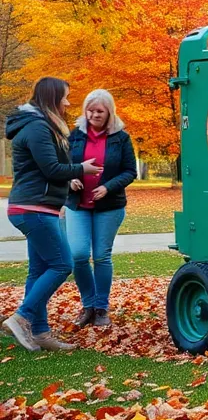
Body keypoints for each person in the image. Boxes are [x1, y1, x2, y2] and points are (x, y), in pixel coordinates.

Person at [2, 78, 102, 351]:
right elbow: (52, 169)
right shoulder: (37, 128)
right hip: (33, 208)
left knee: (39, 269)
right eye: (65, 98)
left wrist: (67, 181)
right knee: (62, 264)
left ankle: (40, 334)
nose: (68, 103)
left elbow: (47, 169)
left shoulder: (40, 126)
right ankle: (22, 317)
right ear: (51, 99)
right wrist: (81, 169)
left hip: (40, 207)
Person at [66, 90, 137, 329]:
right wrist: (70, 177)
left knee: (101, 256)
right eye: (90, 110)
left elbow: (130, 171)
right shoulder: (74, 136)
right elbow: (61, 165)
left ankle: (101, 307)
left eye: (99, 111)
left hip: (109, 206)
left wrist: (108, 187)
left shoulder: (121, 138)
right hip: (78, 205)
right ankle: (88, 305)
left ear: (109, 113)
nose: (94, 115)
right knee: (77, 255)